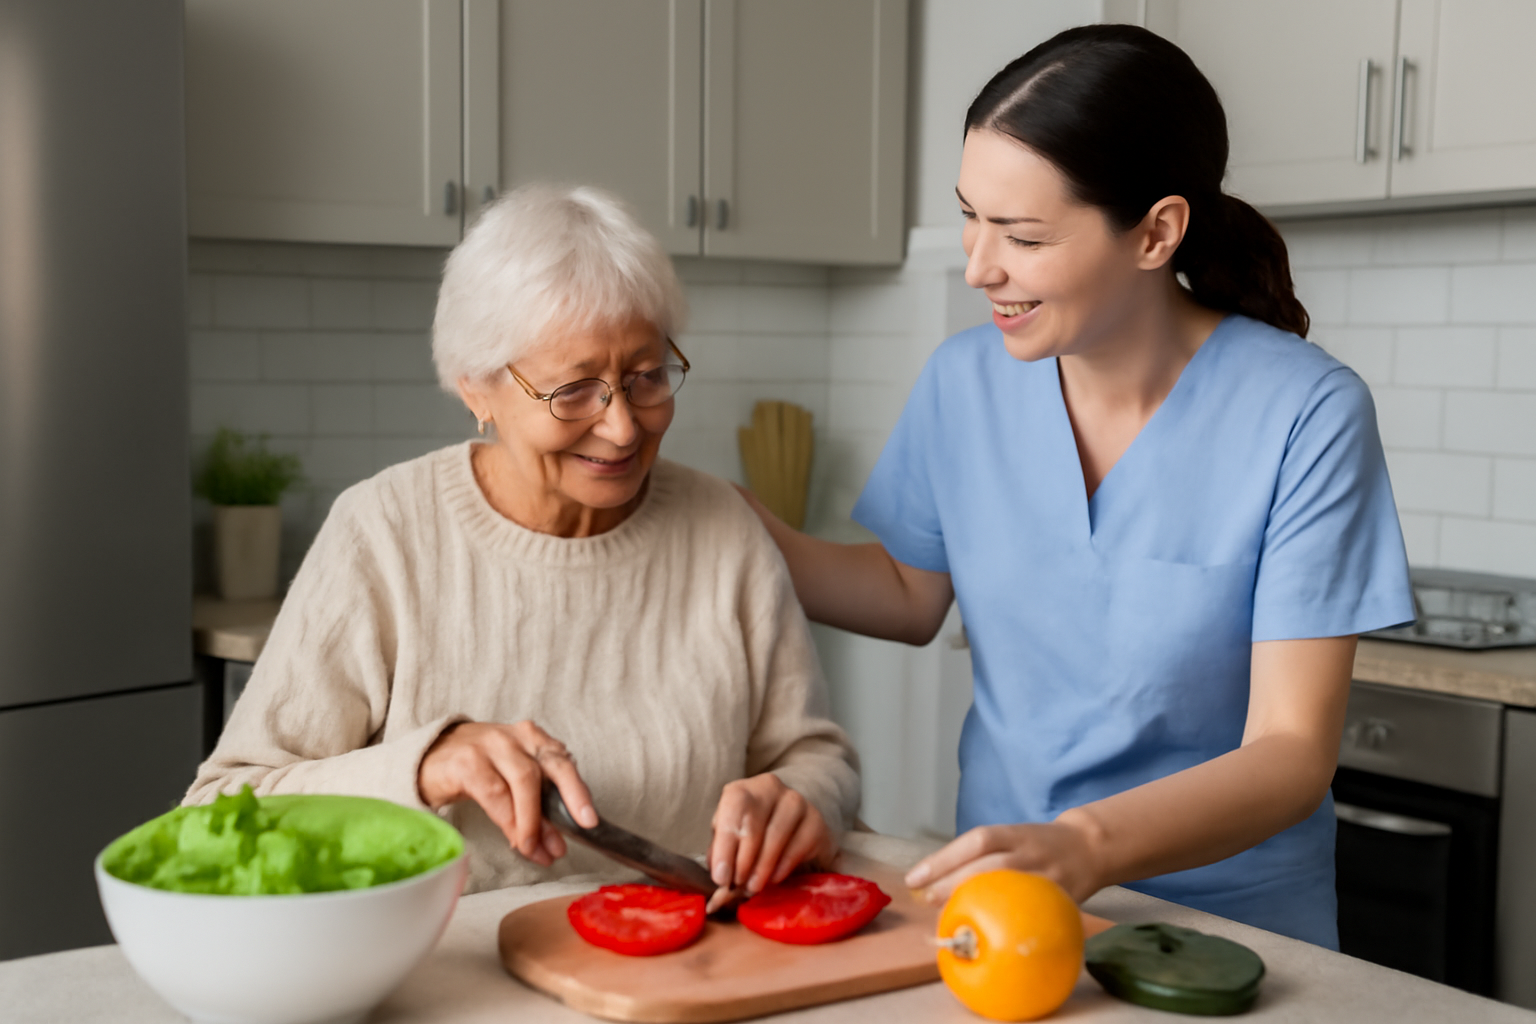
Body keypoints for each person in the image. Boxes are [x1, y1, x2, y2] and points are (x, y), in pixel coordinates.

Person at [740, 24, 1413, 948]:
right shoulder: (963, 380)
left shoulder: (1306, 412)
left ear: (1156, 233)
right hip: (1005, 912)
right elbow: (907, 593)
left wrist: (1084, 845)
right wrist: (727, 522)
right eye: (970, 215)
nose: (978, 265)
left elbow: (1290, 753)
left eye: (1021, 235)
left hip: (1236, 936)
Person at [187, 184, 860, 899]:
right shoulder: (383, 532)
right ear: (475, 387)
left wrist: (805, 800)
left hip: (692, 968)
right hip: (456, 978)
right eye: (573, 391)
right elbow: (217, 815)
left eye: (647, 377)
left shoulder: (726, 529)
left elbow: (817, 757)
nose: (625, 428)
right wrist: (420, 766)